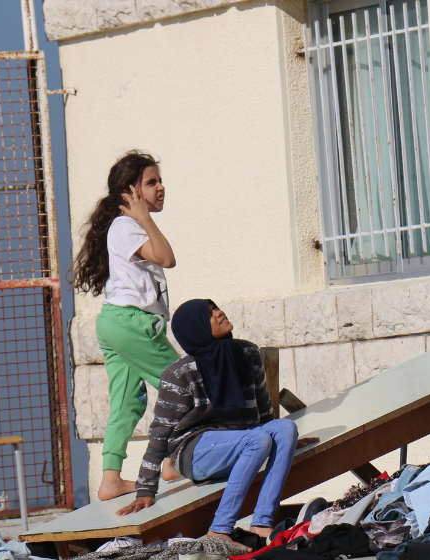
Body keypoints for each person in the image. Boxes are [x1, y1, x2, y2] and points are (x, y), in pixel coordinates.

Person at [117, 299, 300, 544]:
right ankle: (219, 530)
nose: (219, 313)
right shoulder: (180, 373)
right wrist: (145, 488)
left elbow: (264, 409)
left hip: (243, 444)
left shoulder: (247, 353)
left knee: (286, 428)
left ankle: (261, 524)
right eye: (210, 313)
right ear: (197, 328)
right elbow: (160, 434)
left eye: (216, 308)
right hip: (196, 453)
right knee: (257, 439)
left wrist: (282, 444)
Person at [70, 151, 180, 501]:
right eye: (151, 183)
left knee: (127, 403)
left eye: (160, 180)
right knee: (184, 386)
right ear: (130, 192)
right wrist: (145, 218)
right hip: (132, 324)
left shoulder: (122, 228)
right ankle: (173, 461)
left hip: (115, 322)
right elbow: (167, 258)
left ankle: (111, 480)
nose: (161, 188)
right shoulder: (127, 226)